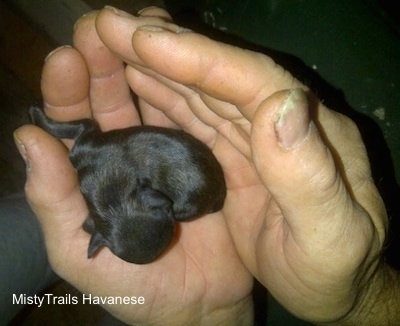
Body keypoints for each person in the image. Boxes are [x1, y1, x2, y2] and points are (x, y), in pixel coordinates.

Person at [8, 5, 400, 325]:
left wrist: (361, 296)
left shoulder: (99, 165)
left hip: (195, 180)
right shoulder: (87, 159)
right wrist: (48, 124)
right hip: (188, 177)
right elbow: (88, 129)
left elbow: (90, 131)